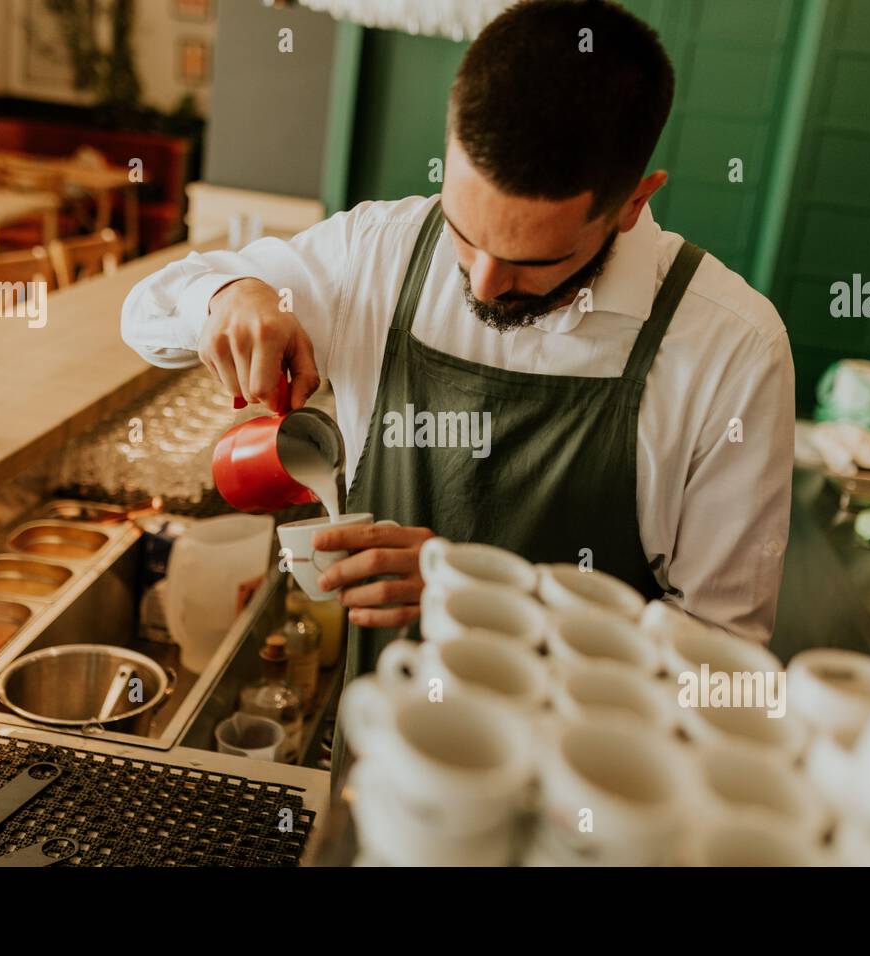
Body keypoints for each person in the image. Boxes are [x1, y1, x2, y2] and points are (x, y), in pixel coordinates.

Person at [122, 0, 794, 702]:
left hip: (590, 789)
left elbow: (725, 674)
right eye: (464, 234)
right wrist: (229, 297)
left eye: (534, 261)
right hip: (381, 764)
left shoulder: (731, 349)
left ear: (631, 204)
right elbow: (145, 311)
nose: (484, 282)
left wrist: (486, 601)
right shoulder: (379, 253)